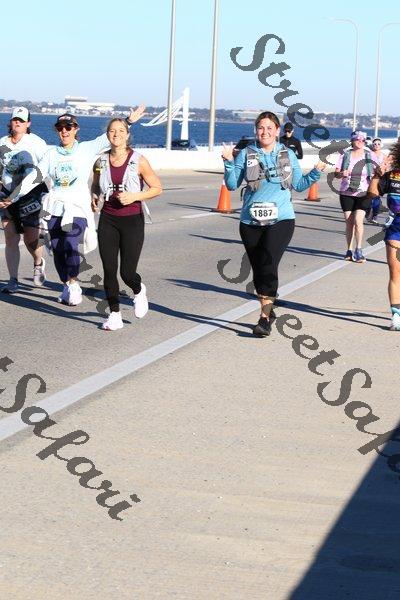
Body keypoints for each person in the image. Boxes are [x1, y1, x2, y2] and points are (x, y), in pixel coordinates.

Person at [0, 106, 145, 306]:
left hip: (77, 207)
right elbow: (35, 177)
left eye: (69, 127)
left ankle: (74, 284)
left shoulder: (86, 148)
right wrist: (14, 197)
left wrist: (128, 121)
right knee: (58, 250)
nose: (65, 131)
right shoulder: (51, 154)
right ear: (57, 130)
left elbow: (108, 138)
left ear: (76, 129)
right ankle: (67, 284)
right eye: (61, 127)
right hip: (55, 208)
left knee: (70, 243)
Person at [222, 111, 326, 337]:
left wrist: (316, 173)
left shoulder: (288, 154)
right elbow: (231, 185)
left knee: (268, 262)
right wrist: (228, 162)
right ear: (255, 130)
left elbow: (299, 185)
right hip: (250, 221)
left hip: (281, 219)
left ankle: (264, 318)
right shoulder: (247, 154)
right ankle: (269, 306)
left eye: (270, 128)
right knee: (259, 268)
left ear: (278, 131)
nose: (265, 132)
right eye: (261, 128)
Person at [91, 118, 162, 331]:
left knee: (127, 273)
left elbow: (157, 188)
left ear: (127, 135)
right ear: (107, 135)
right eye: (112, 131)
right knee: (109, 269)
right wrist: (94, 196)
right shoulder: (100, 161)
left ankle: (138, 290)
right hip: (108, 219)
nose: (116, 134)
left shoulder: (139, 160)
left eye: (121, 131)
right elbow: (95, 185)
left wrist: (134, 196)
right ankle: (114, 315)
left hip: (132, 220)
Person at [0, 107, 48, 293]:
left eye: (21, 120)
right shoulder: (2, 143)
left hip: (30, 195)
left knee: (30, 238)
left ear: (28, 123)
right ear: (11, 122)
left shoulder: (36, 143)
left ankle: (38, 262)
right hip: (7, 196)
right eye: (15, 120)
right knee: (10, 238)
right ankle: (13, 280)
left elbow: (47, 167)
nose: (17, 123)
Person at [367, 142, 400, 330]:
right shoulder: (393, 176)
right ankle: (396, 316)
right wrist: (377, 175)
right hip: (396, 228)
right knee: (395, 272)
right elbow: (372, 193)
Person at [335, 130, 377, 263]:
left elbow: (377, 171)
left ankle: (359, 250)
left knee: (358, 221)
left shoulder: (369, 155)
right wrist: (341, 173)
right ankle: (349, 250)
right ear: (352, 141)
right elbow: (336, 173)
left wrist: (379, 173)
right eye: (358, 139)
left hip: (364, 193)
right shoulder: (345, 155)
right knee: (349, 223)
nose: (360, 141)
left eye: (363, 140)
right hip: (346, 193)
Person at [366, 138, 387, 224]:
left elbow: (386, 167)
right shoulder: (368, 154)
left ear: (381, 145)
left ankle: (374, 216)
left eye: (378, 144)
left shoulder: (384, 156)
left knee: (376, 197)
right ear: (372, 145)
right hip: (368, 178)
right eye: (375, 144)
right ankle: (368, 213)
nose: (377, 145)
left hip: (379, 178)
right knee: (368, 197)